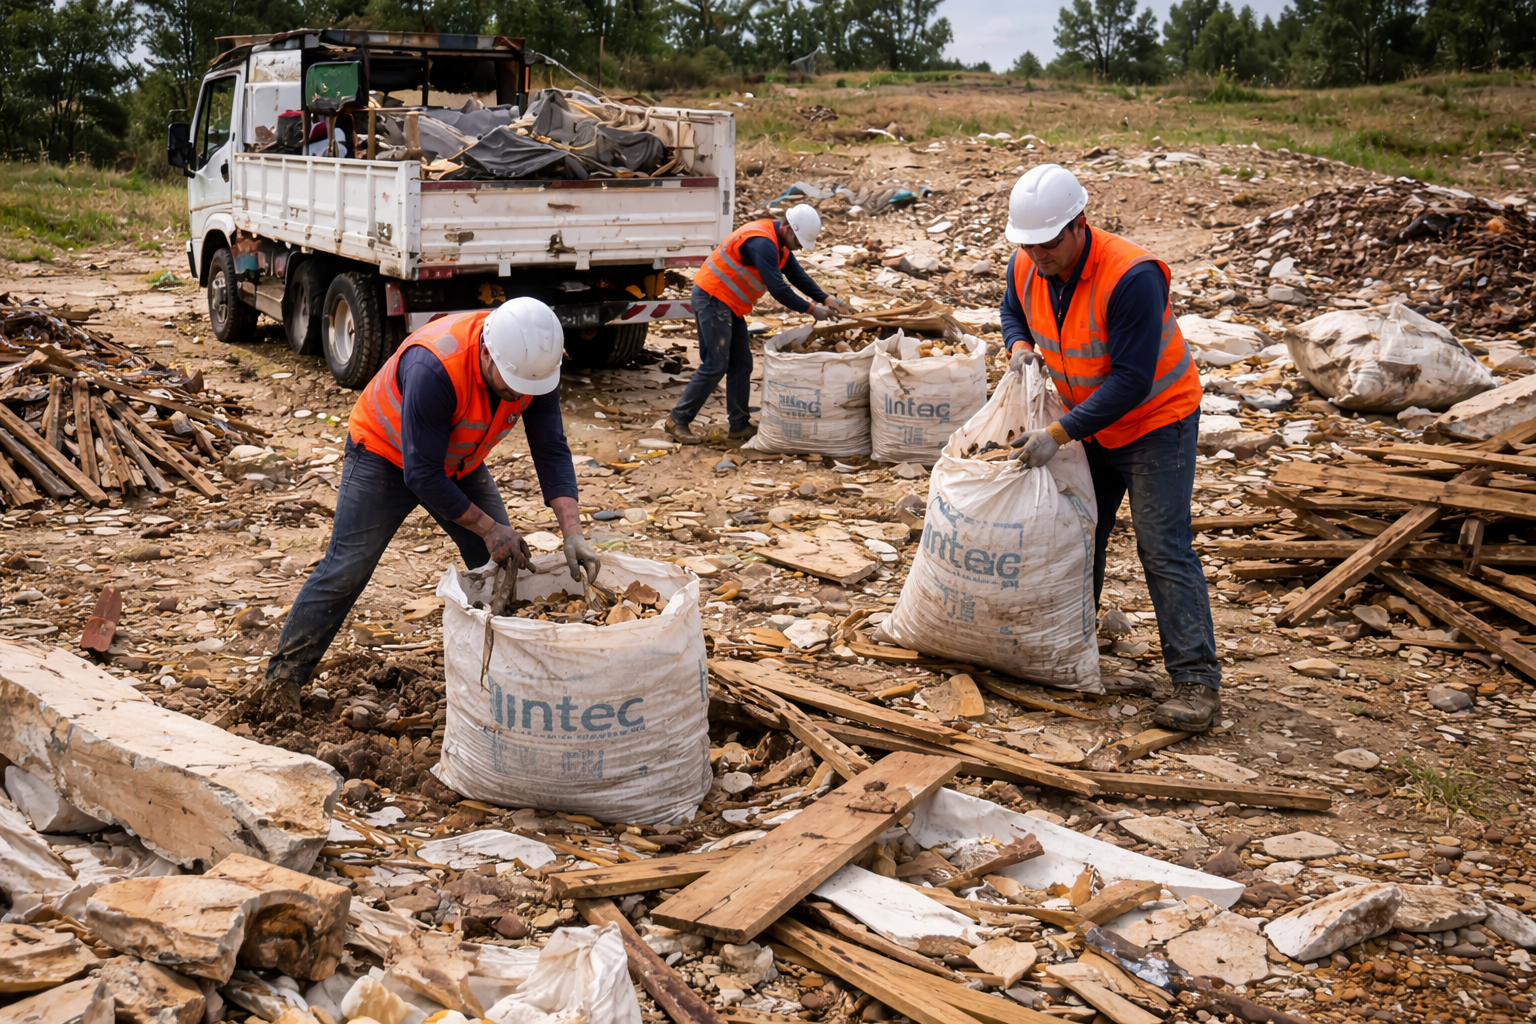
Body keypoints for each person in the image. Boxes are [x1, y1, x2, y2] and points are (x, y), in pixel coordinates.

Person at [262, 297, 603, 702]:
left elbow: (550, 447)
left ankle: (507, 683)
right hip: (384, 455)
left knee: (500, 562)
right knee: (346, 569)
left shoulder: (532, 368)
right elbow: (421, 474)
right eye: (512, 388)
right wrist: (490, 528)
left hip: (459, 458)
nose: (518, 397)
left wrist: (573, 532)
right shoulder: (436, 366)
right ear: (488, 356)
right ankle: (282, 681)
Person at [998, 163, 1220, 732]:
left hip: (1154, 422)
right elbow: (1012, 310)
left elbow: (1132, 380)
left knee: (1162, 546)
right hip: (1087, 422)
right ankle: (1073, 650)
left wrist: (1056, 434)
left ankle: (1196, 682)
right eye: (1030, 246)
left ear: (1079, 225)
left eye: (1049, 244)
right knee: (1079, 534)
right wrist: (1019, 343)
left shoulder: (1131, 276)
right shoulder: (1027, 261)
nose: (1039, 256)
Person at [665, 204, 854, 444]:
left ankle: (739, 425)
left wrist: (826, 299)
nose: (800, 247)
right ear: (788, 229)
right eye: (799, 241)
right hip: (713, 298)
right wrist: (812, 310)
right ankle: (678, 420)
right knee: (716, 364)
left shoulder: (780, 245)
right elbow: (778, 288)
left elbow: (797, 276)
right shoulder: (762, 242)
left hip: (729, 303)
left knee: (742, 363)